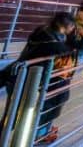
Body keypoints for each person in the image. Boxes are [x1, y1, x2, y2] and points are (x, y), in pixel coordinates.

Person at [1, 12, 76, 143]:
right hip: (23, 78)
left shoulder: (45, 31)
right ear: (67, 25)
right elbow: (61, 49)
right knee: (14, 116)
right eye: (72, 27)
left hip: (23, 76)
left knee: (15, 114)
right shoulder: (50, 40)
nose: (72, 30)